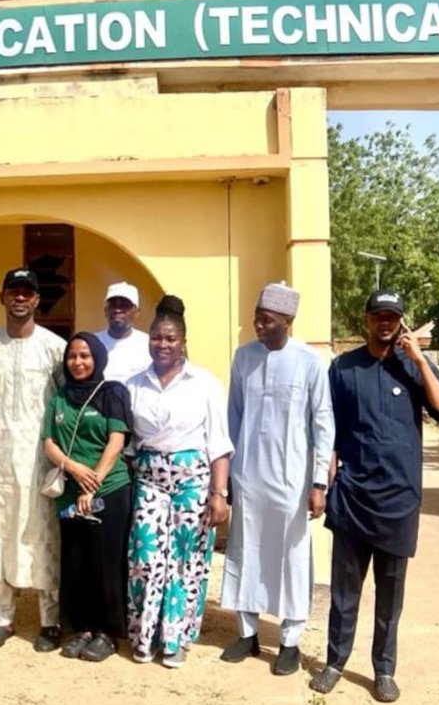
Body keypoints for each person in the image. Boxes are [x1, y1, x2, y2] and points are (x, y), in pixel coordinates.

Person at [311, 289, 439, 703]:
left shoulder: (412, 366)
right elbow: (329, 432)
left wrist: (419, 359)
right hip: (353, 497)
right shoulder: (343, 368)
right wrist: (325, 482)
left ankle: (384, 669)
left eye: (393, 317)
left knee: (391, 595)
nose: (385, 323)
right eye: (378, 316)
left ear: (402, 322)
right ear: (366, 320)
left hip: (400, 499)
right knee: (344, 591)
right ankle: (335, 662)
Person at [219, 282, 334, 676]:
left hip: (292, 480)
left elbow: (323, 423)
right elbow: (233, 415)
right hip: (248, 475)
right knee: (245, 549)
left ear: (287, 321)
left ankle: (290, 641)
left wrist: (319, 483)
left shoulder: (309, 361)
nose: (258, 324)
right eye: (257, 315)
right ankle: (246, 633)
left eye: (266, 319)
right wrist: (229, 474)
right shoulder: (243, 357)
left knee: (290, 557)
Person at [125, 295, 232, 668]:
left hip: (193, 483)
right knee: (144, 556)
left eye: (170, 338)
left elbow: (219, 444)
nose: (163, 344)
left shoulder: (204, 384)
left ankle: (178, 638)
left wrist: (218, 494)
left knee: (186, 560)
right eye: (156, 337)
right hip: (149, 480)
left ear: (183, 341)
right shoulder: (134, 384)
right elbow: (126, 442)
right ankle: (145, 634)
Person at [0, 268, 66, 652]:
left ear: (37, 300)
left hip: (40, 459)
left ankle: (50, 621)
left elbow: (65, 403)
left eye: (27, 292)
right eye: (13, 291)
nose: (20, 298)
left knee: (44, 534)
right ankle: (2, 620)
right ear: (2, 297)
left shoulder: (54, 348)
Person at [42, 332, 133, 662]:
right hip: (69, 493)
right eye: (72, 356)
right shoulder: (60, 398)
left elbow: (116, 441)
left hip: (108, 490)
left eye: (85, 356)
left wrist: (91, 483)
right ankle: (81, 628)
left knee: (105, 562)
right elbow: (48, 442)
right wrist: (72, 468)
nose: (77, 362)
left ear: (97, 358)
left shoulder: (112, 392)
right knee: (76, 561)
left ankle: (106, 633)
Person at [95, 282, 151, 382]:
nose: (117, 310)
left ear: (137, 311)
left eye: (124, 305)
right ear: (106, 310)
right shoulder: (93, 343)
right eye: (113, 305)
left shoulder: (148, 344)